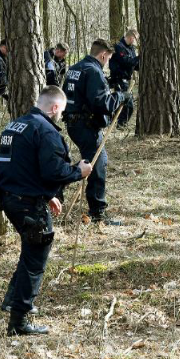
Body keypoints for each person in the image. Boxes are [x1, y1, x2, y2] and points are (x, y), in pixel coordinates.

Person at [0, 86, 91, 335]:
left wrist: (47, 194)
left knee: (30, 250)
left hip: (10, 199)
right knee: (36, 257)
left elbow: (23, 166)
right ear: (55, 108)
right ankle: (19, 321)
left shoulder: (14, 126)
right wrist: (77, 172)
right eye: (62, 111)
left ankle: (13, 300)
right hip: (28, 204)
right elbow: (53, 171)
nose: (61, 116)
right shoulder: (46, 131)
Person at [62, 39, 124, 225]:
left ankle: (61, 181)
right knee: (98, 165)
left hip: (74, 124)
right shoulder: (93, 71)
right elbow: (101, 104)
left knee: (91, 161)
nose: (107, 63)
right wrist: (120, 96)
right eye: (108, 59)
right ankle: (97, 212)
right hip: (86, 126)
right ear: (103, 55)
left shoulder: (75, 68)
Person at [108, 29, 139, 128]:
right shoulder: (119, 47)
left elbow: (134, 64)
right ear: (131, 37)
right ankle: (120, 124)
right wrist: (140, 57)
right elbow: (127, 62)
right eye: (135, 39)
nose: (135, 41)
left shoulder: (131, 49)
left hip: (126, 79)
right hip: (119, 79)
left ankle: (116, 122)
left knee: (122, 102)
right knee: (128, 103)